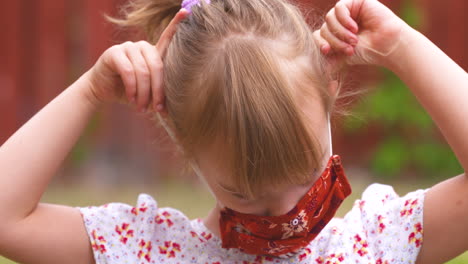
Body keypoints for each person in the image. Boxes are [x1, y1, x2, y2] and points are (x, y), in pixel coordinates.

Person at [0, 0, 467, 263]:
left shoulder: (379, 242)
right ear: (182, 140)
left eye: (304, 173)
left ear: (330, 88)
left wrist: (401, 45)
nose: (287, 212)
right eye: (245, 194)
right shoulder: (153, 252)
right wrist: (89, 92)